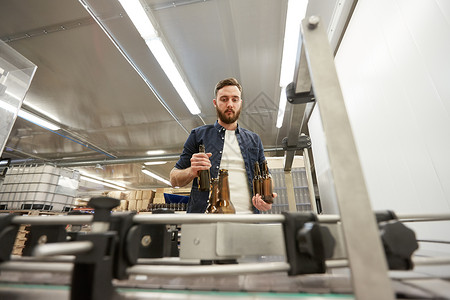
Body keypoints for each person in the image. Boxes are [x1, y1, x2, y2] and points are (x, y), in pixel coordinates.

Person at [170, 77, 276, 213]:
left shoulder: (254, 139)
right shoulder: (198, 135)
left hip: (248, 219)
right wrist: (192, 171)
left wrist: (266, 197)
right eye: (224, 99)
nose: (230, 104)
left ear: (241, 103)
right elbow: (174, 178)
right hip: (206, 221)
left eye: (235, 99)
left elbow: (268, 176)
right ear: (215, 103)